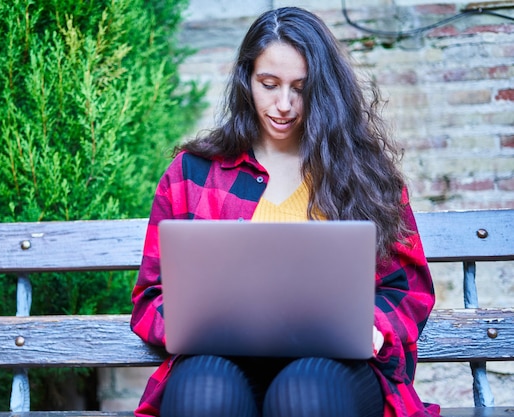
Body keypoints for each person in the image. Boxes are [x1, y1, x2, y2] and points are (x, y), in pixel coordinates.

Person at [130, 6, 440, 417]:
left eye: (300, 88)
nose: (284, 105)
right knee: (203, 395)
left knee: (304, 395)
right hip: (220, 359)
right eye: (269, 84)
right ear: (246, 81)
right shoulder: (192, 173)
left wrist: (376, 328)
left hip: (336, 367)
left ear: (324, 88)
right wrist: (194, 326)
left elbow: (407, 289)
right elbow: (151, 296)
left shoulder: (364, 174)